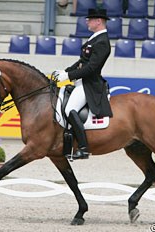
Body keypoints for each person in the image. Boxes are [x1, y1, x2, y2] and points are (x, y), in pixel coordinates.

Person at [53, 8, 113, 159]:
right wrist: (65, 72)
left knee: (70, 109)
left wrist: (69, 75)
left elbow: (92, 68)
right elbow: (82, 62)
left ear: (99, 21)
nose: (87, 21)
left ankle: (83, 148)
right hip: (81, 81)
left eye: (90, 19)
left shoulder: (102, 42)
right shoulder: (94, 38)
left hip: (90, 84)